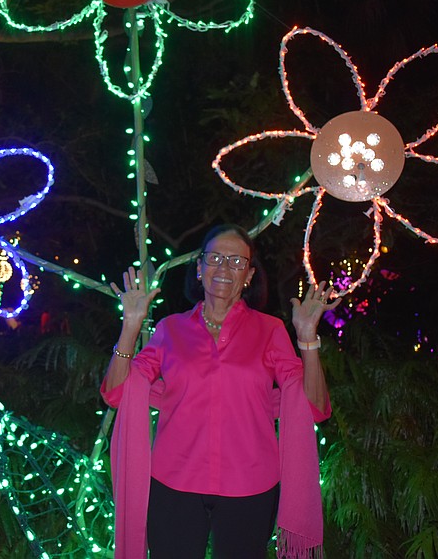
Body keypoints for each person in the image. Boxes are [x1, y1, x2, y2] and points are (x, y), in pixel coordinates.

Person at [101, 224, 341, 559]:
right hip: (174, 482)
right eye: (214, 258)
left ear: (249, 275)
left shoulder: (270, 330)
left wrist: (307, 339)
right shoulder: (171, 329)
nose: (224, 268)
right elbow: (116, 393)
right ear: (199, 269)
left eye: (236, 261)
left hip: (250, 483)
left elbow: (314, 407)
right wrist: (130, 325)